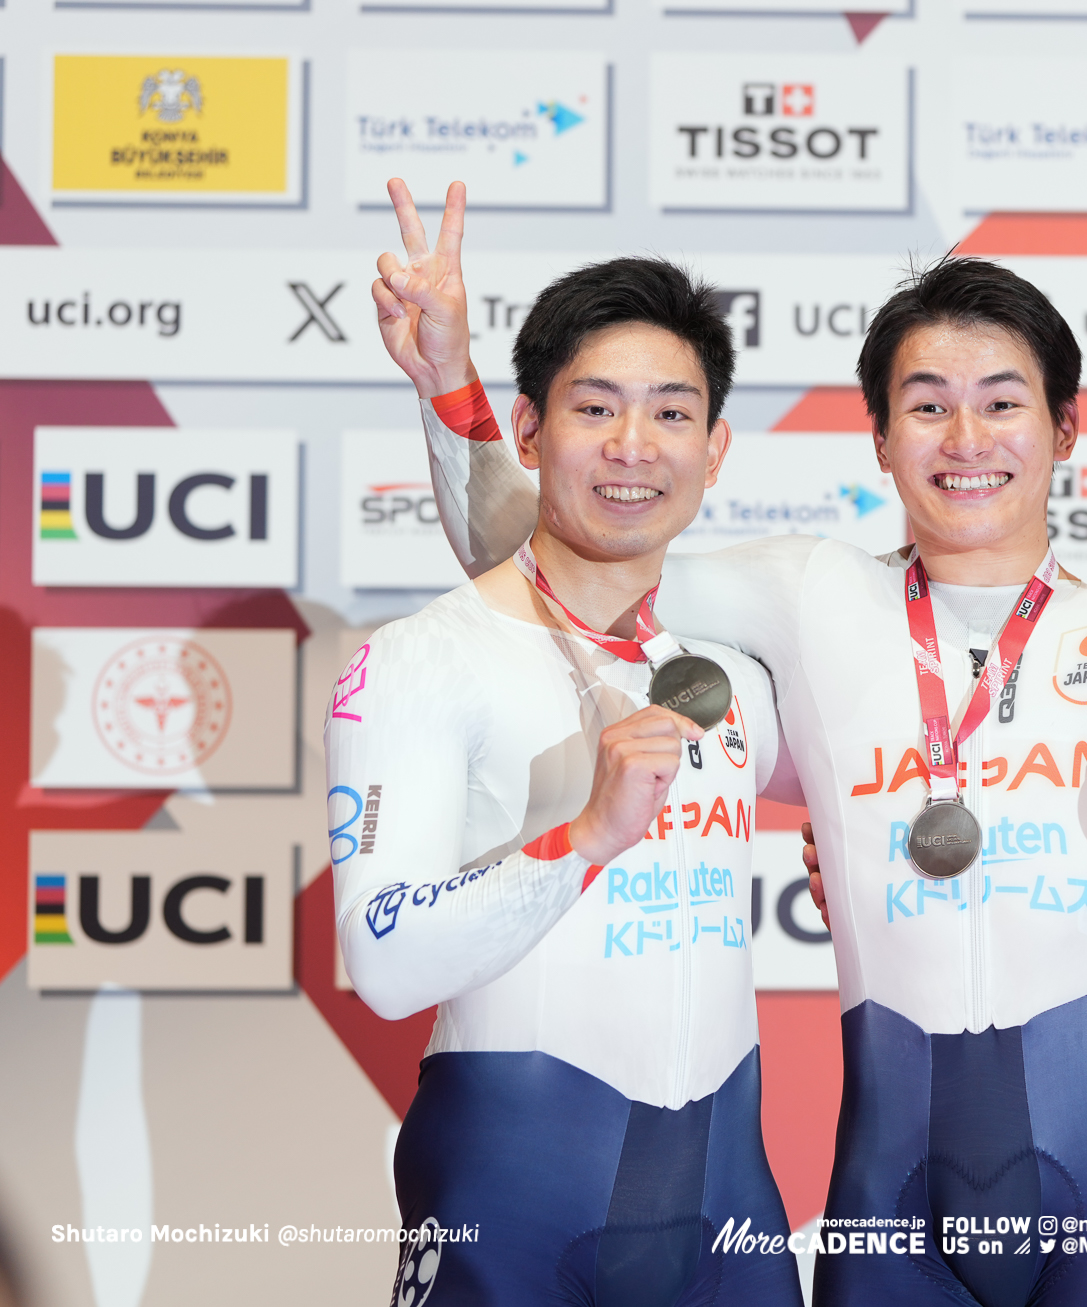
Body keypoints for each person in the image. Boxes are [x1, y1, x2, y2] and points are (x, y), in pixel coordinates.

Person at [372, 171, 1087, 1307]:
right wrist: (449, 390)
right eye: (925, 405)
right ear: (878, 438)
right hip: (888, 1222)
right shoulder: (805, 597)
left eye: (1003, 402)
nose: (965, 437)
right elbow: (571, 542)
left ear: (1066, 428)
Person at [334, 235, 802, 1307]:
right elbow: (386, 959)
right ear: (533, 431)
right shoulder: (421, 657)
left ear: (716, 446)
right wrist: (584, 833)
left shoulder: (732, 673)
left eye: (671, 414)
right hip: (509, 1198)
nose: (634, 445)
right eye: (595, 409)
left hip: (726, 1213)